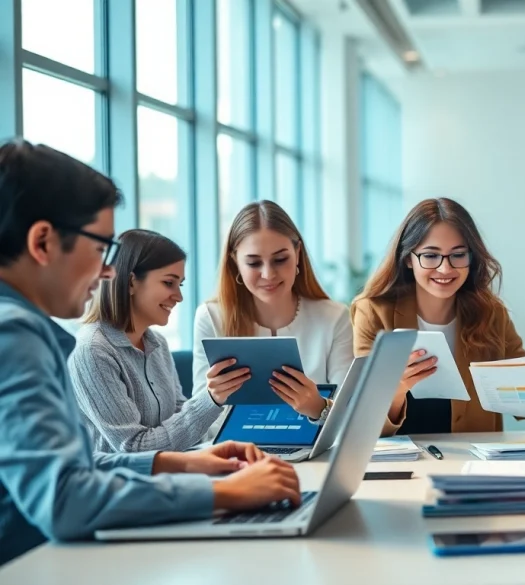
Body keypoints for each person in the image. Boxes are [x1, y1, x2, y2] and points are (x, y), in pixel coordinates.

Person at [0, 139, 299, 566]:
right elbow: (65, 499)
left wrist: (184, 465)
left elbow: (84, 466)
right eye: (100, 248)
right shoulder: (13, 334)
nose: (107, 270)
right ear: (43, 242)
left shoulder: (25, 331)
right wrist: (224, 492)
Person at [351, 197, 525, 436]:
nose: (445, 268)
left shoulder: (491, 313)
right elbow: (364, 426)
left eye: (458, 255)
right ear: (408, 259)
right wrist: (397, 392)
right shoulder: (372, 311)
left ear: (472, 258)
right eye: (430, 255)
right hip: (402, 469)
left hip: (473, 464)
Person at [193, 200, 354, 435]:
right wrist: (212, 399)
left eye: (280, 260)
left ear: (297, 254)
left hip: (314, 456)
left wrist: (318, 408)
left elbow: (350, 415)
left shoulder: (334, 318)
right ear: (235, 262)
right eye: (253, 262)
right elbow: (201, 425)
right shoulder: (211, 317)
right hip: (236, 456)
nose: (268, 274)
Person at [69, 230, 231, 453]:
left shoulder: (157, 344)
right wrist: (210, 398)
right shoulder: (92, 351)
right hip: (123, 484)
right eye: (168, 283)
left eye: (180, 285)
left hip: (168, 475)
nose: (179, 296)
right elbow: (134, 448)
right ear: (131, 282)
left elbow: (180, 419)